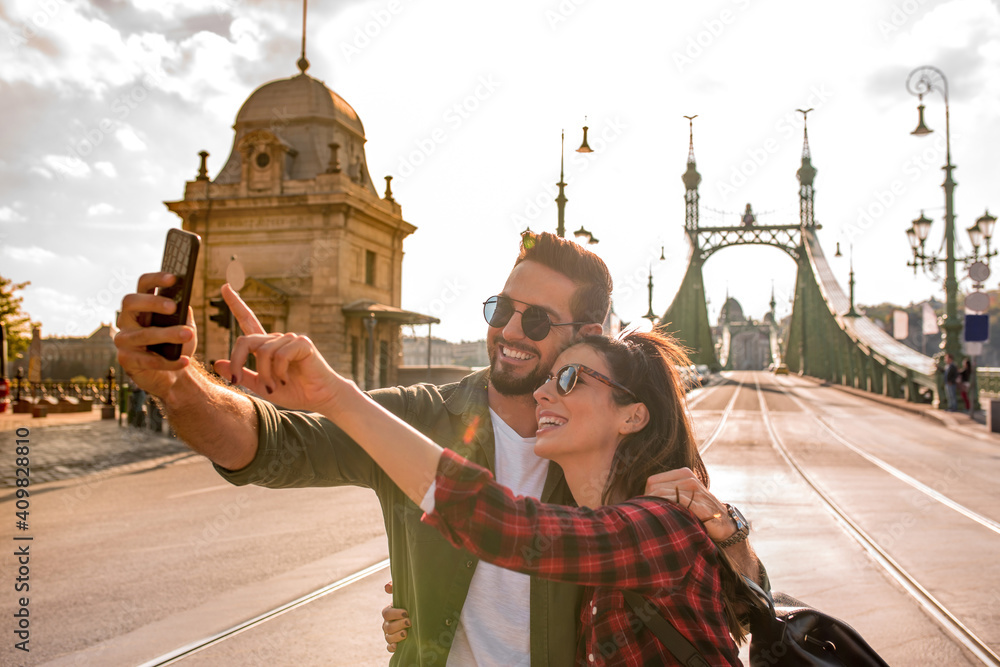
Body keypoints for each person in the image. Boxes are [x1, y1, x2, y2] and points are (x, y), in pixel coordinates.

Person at [114, 232, 765, 666]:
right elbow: (267, 443)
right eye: (500, 308)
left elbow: (746, 596)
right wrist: (176, 383)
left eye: (535, 320)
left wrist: (726, 528)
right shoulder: (417, 418)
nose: (508, 330)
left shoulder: (628, 465)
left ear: (585, 336)